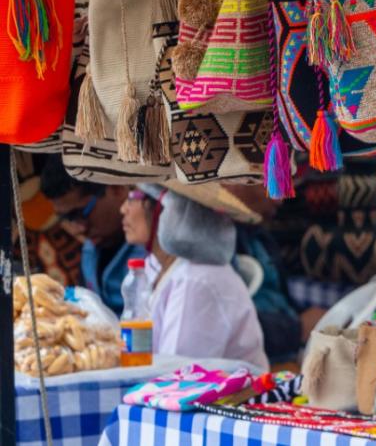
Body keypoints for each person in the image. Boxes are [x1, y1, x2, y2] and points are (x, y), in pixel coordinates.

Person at [120, 185, 270, 370]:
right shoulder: (157, 268)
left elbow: (177, 374)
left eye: (133, 197)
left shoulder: (196, 279)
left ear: (164, 209)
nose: (123, 209)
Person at [40, 155, 145, 314]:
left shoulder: (153, 250)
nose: (77, 229)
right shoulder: (89, 252)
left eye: (81, 213)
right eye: (66, 219)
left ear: (115, 188)